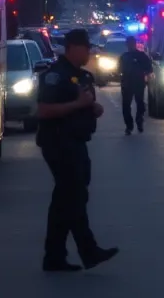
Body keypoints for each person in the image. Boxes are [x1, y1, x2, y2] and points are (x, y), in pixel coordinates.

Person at [35, 28, 120, 273]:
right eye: (85, 48)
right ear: (71, 48)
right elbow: (44, 110)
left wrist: (92, 108)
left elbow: (83, 103)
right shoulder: (55, 76)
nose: (89, 52)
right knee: (74, 197)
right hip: (58, 142)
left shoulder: (82, 76)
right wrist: (78, 104)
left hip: (76, 141)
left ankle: (54, 256)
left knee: (65, 200)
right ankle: (88, 250)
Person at [117, 36, 153, 135]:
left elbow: (149, 69)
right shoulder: (124, 57)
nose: (130, 46)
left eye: (131, 44)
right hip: (127, 83)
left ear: (134, 44)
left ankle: (139, 120)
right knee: (126, 105)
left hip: (138, 83)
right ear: (127, 45)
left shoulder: (141, 56)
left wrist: (145, 75)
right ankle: (129, 126)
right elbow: (119, 69)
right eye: (129, 44)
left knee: (140, 103)